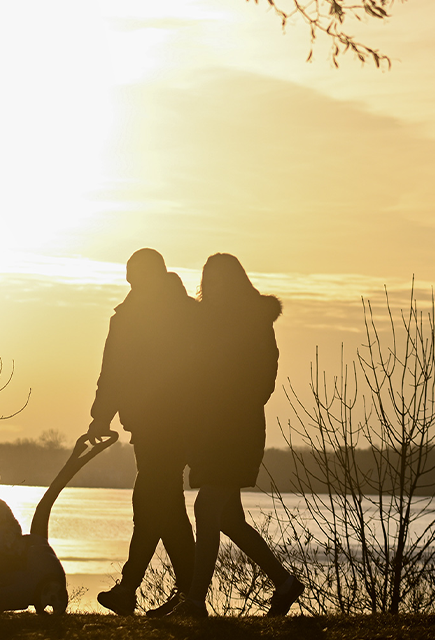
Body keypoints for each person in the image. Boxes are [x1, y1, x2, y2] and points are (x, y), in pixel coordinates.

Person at [179, 253, 303, 617]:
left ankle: (195, 602)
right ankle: (285, 583)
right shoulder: (204, 324)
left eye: (219, 280)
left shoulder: (255, 322)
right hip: (210, 431)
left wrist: (230, 404)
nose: (213, 287)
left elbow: (264, 378)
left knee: (206, 507)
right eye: (209, 280)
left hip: (238, 432)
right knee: (229, 519)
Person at [88, 248, 198, 615]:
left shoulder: (148, 316)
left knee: (151, 502)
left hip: (168, 425)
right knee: (165, 507)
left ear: (148, 275)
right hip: (156, 426)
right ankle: (188, 597)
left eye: (133, 275)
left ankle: (130, 587)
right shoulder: (182, 313)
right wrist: (101, 416)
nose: (128, 281)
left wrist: (101, 417)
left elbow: (113, 371)